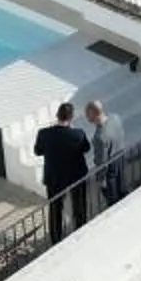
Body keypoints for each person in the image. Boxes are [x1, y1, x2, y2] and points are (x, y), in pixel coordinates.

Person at [33, 101, 92, 242]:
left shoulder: (44, 133)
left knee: (55, 209)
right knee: (79, 205)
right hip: (75, 175)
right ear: (71, 118)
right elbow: (86, 148)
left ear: (57, 115)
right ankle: (80, 232)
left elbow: (37, 151)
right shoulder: (78, 134)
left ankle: (56, 239)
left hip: (54, 177)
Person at [86, 97, 124, 207]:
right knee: (123, 191)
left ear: (93, 113)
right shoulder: (115, 118)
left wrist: (100, 180)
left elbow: (101, 162)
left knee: (113, 201)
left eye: (87, 114)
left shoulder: (99, 137)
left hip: (110, 170)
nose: (86, 117)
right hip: (121, 158)